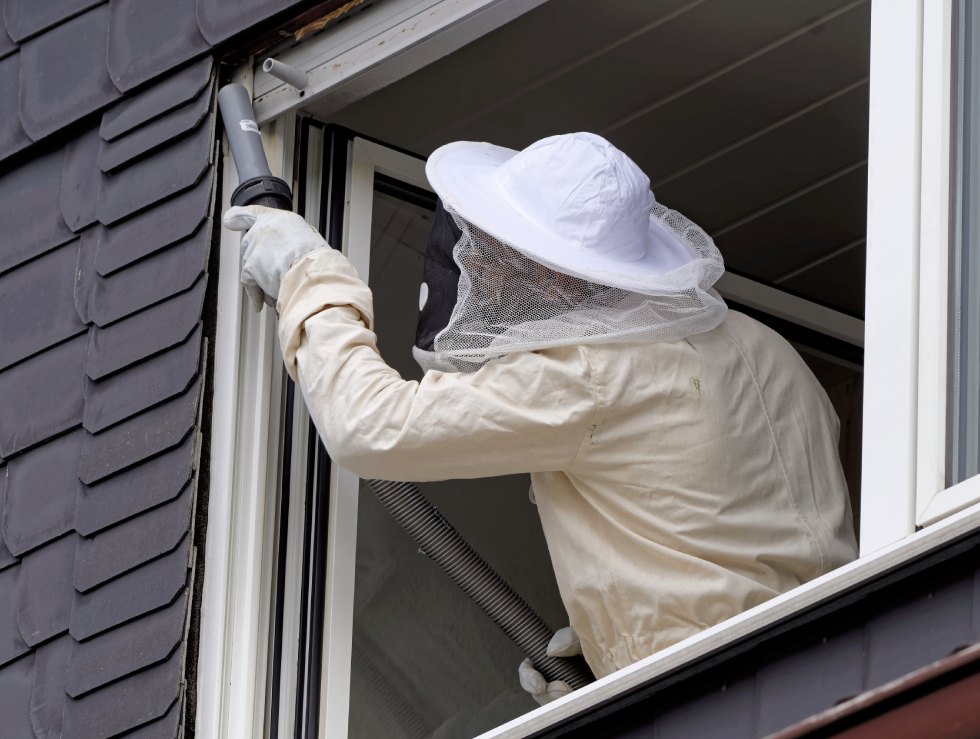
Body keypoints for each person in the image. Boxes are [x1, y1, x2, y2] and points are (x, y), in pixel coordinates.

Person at [224, 132, 858, 706]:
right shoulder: (764, 347)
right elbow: (737, 546)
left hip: (716, 698)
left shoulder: (589, 371)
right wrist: (614, 653)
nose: (470, 264)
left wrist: (305, 274)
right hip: (839, 670)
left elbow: (368, 426)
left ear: (552, 280)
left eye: (496, 251)